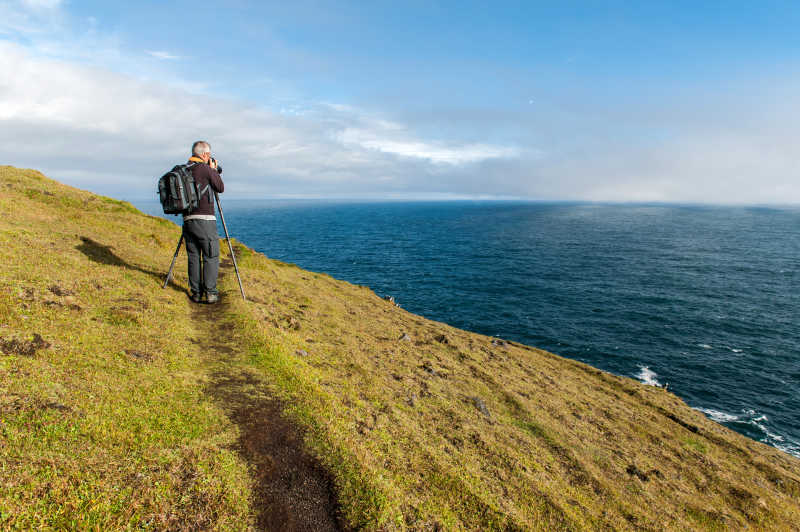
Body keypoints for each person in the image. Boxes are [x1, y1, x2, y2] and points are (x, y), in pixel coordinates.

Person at [184, 140, 224, 304]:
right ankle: (210, 293)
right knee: (211, 255)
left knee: (193, 256)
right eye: (209, 154)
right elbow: (220, 187)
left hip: (188, 219)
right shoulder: (205, 169)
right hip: (205, 219)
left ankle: (196, 293)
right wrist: (213, 170)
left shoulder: (185, 169)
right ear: (205, 154)